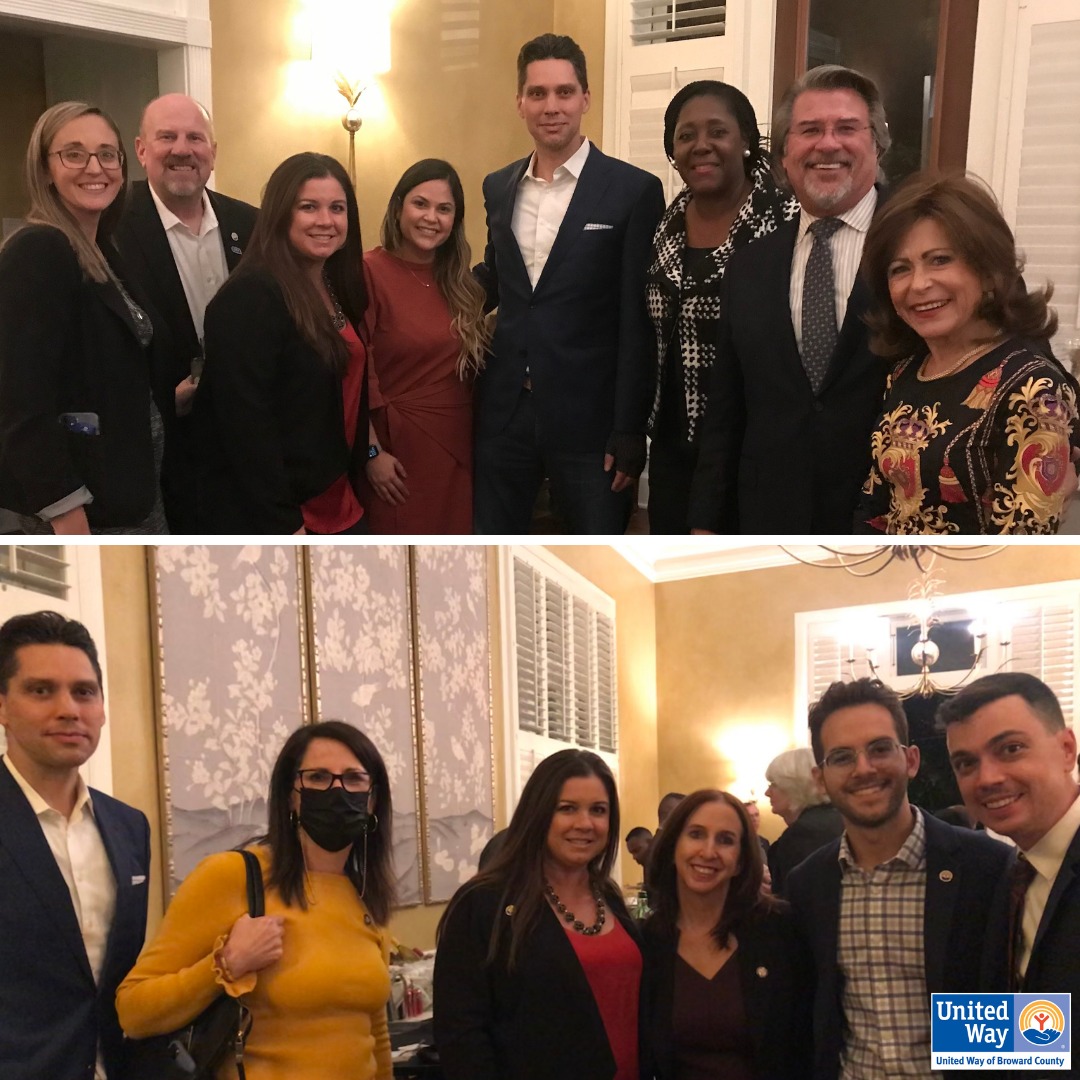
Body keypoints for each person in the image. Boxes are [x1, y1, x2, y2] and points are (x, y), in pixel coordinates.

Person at [117, 720, 395, 1079]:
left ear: (373, 801)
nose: (337, 790)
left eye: (354, 779)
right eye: (318, 778)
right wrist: (226, 965)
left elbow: (375, 1032)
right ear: (290, 795)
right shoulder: (231, 876)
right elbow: (134, 1012)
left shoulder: (363, 895)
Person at [472, 33, 665, 534]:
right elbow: (498, 276)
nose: (551, 106)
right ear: (520, 103)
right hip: (506, 410)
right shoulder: (498, 186)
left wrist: (629, 428)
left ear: (585, 98)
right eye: (537, 93)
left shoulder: (633, 190)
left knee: (596, 559)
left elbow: (636, 319)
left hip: (592, 421)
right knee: (496, 548)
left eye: (563, 92)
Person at [688, 65, 892, 534]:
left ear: (877, 144)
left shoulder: (923, 244)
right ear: (784, 154)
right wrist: (705, 522)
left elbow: (1004, 344)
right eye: (809, 130)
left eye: (846, 128)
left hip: (889, 514)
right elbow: (726, 408)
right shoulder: (749, 266)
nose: (827, 144)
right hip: (771, 517)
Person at [786, 678, 1014, 1080]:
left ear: (910, 759)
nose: (863, 769)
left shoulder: (988, 868)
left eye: (879, 749)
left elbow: (1024, 1016)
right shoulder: (809, 885)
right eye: (842, 757)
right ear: (820, 779)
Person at [856, 173, 1077, 533]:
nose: (919, 283)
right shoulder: (907, 372)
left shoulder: (1035, 387)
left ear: (989, 271)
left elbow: (1021, 547)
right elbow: (876, 505)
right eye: (900, 269)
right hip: (890, 580)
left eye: (940, 260)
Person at [0, 101, 165, 534]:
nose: (96, 167)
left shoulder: (104, 249)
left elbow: (97, 369)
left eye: (107, 154)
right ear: (43, 169)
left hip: (129, 498)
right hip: (76, 513)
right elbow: (21, 405)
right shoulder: (40, 250)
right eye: (74, 154)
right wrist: (66, 513)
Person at [0, 611, 150, 1080]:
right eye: (41, 690)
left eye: (84, 692)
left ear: (102, 707)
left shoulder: (130, 828)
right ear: (2, 706)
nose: (69, 709)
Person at [646, 80, 798, 533]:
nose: (701, 146)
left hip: (751, 444)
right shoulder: (668, 219)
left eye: (717, 131)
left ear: (746, 140)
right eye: (686, 135)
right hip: (672, 442)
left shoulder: (785, 219)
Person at [433, 749, 641, 1079]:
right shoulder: (483, 903)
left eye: (598, 810)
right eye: (567, 809)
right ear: (538, 813)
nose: (585, 824)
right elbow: (461, 1036)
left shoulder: (611, 897)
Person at [194, 152, 368, 534]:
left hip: (340, 496)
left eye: (337, 208)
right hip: (287, 514)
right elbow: (245, 426)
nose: (326, 220)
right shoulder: (251, 296)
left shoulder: (334, 285)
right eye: (309, 207)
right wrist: (282, 523)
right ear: (280, 213)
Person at [114, 93, 258, 533]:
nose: (182, 149)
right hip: (162, 454)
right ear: (141, 150)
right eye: (167, 137)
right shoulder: (110, 229)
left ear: (212, 152)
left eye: (195, 137)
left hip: (244, 442)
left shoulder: (251, 224)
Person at [640, 790, 811, 1080]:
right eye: (695, 834)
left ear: (742, 860)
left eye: (725, 840)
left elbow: (805, 1044)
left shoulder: (780, 931)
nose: (708, 851)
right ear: (672, 847)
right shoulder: (649, 941)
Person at [359, 158, 489, 533]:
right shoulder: (366, 271)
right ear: (398, 206)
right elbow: (354, 370)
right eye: (421, 204)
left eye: (444, 209)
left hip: (456, 447)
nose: (431, 217)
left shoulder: (460, 284)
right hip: (394, 454)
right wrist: (371, 453)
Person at [941, 672, 1080, 1002]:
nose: (987, 778)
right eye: (966, 763)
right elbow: (1036, 1025)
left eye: (1010, 749)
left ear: (1066, 750)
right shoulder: (1008, 875)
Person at [763, 747, 843, 897]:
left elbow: (798, 903)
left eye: (773, 784)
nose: (767, 793)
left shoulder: (803, 834)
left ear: (794, 785)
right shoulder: (838, 818)